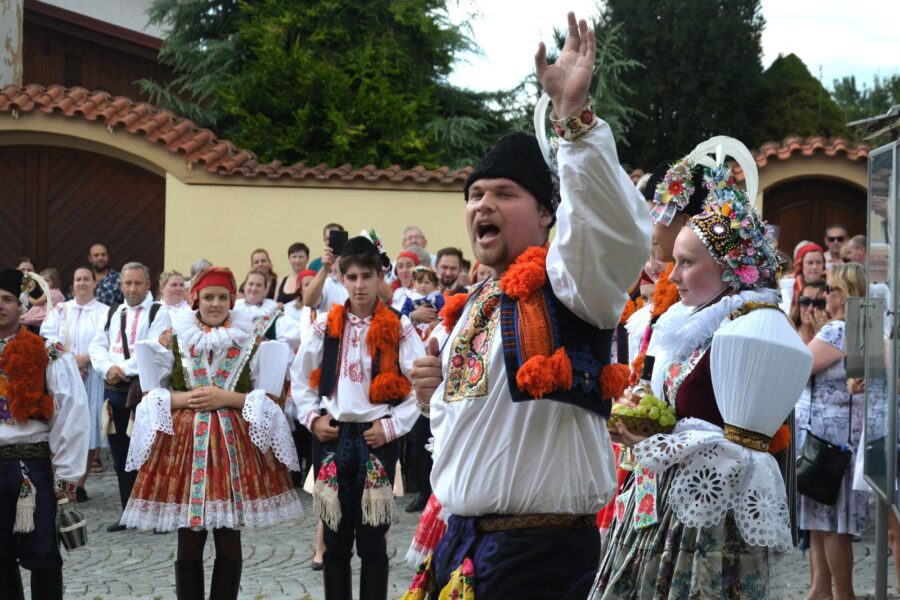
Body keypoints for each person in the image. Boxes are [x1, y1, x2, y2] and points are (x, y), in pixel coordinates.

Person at [405, 13, 651, 598]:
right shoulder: (474, 303)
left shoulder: (568, 283)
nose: (482, 204)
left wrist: (574, 120)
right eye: (475, 195)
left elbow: (610, 230)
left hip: (537, 554)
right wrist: (434, 393)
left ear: (545, 213)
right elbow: (475, 422)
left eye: (503, 194)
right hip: (461, 540)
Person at [592, 139, 811, 598]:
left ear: (729, 268)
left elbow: (747, 453)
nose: (671, 276)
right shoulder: (688, 323)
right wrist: (642, 413)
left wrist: (660, 440)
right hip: (658, 505)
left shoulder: (753, 331)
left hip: (706, 526)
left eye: (687, 263)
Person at [121, 266, 303, 600]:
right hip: (185, 451)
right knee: (189, 538)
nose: (215, 304)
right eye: (208, 297)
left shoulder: (252, 341)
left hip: (233, 452)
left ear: (232, 300)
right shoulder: (173, 339)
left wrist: (229, 398)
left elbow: (273, 401)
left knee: (228, 537)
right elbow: (149, 396)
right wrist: (183, 399)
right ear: (195, 300)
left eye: (222, 297)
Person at [292, 236, 425, 600]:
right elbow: (300, 378)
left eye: (367, 276)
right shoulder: (326, 326)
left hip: (376, 438)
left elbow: (421, 386)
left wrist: (393, 425)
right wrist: (312, 419)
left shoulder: (398, 327)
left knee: (373, 543)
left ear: (379, 276)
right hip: (332, 438)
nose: (360, 285)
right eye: (351, 277)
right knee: (334, 543)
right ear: (341, 278)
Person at [0, 268, 89, 600]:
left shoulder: (46, 352)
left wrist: (66, 475)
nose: (0, 306)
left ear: (21, 306)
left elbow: (71, 413)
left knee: (44, 556)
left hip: (31, 466)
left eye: (7, 299)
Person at [801, 262, 872, 600]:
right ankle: (819, 590)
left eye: (828, 290)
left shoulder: (836, 331)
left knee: (830, 524)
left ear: (843, 296)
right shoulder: (861, 327)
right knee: (821, 522)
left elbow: (799, 365)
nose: (823, 296)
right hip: (843, 436)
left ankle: (843, 594)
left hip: (829, 440)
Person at [88, 261, 158, 532]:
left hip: (141, 392)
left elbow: (154, 349)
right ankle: (129, 513)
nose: (132, 288)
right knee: (120, 454)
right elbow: (97, 345)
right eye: (127, 283)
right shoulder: (114, 311)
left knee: (148, 453)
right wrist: (108, 368)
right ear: (121, 285)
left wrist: (123, 369)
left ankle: (153, 515)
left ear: (148, 284)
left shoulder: (157, 312)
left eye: (137, 283)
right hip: (114, 392)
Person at [41, 266, 110, 500]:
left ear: (94, 283)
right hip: (63, 375)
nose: (82, 283)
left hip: (92, 375)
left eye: (86, 279)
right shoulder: (62, 309)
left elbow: (105, 339)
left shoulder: (105, 311)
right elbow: (49, 336)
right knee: (62, 425)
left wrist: (84, 361)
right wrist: (69, 362)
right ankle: (58, 480)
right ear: (72, 284)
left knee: (89, 427)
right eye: (78, 279)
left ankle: (79, 484)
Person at [21, 268, 64, 332]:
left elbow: (36, 302)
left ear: (54, 281)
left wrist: (27, 296)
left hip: (46, 314)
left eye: (47, 281)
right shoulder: (59, 292)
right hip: (55, 316)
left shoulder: (48, 292)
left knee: (23, 320)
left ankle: (24, 327)